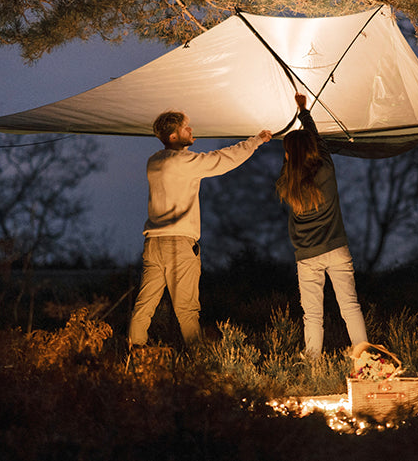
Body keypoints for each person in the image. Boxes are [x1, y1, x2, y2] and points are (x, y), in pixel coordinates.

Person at [128, 110, 272, 349]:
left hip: (152, 245)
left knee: (144, 306)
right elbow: (223, 159)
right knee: (186, 310)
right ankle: (197, 365)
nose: (191, 131)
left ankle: (134, 359)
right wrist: (255, 142)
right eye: (186, 128)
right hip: (179, 244)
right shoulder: (184, 163)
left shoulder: (153, 162)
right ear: (174, 136)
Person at [276, 92, 367, 357]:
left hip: (307, 257)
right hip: (337, 249)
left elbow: (292, 160)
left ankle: (312, 363)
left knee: (312, 315)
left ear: (289, 157)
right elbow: (316, 137)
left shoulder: (286, 184)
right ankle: (364, 361)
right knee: (350, 306)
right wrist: (304, 111)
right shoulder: (327, 168)